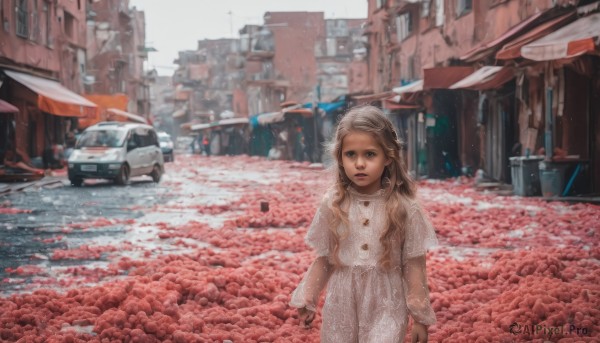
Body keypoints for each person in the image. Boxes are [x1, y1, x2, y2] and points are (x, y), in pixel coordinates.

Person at [289, 105, 438, 342]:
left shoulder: (405, 208)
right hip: (342, 301)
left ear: (388, 156)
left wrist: (420, 317)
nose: (359, 163)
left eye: (369, 154)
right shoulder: (333, 204)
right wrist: (309, 296)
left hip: (387, 301)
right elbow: (326, 258)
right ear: (340, 157)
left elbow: (414, 265)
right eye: (351, 155)